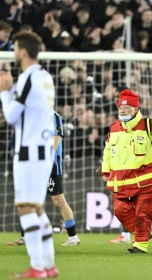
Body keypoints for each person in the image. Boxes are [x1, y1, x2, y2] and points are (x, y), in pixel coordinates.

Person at [0, 31, 58, 278]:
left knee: (25, 207)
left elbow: (12, 116)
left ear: (23, 51)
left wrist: (4, 91)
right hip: (44, 150)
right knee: (37, 209)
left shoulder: (27, 77)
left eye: (15, 49)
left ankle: (38, 267)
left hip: (29, 152)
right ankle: (48, 265)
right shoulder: (45, 77)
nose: (14, 53)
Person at [102, 89, 152, 254]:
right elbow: (107, 151)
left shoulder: (149, 126)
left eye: (127, 107)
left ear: (136, 109)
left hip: (146, 180)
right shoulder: (114, 128)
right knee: (119, 210)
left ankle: (140, 245)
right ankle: (144, 233)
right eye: (121, 107)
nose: (123, 110)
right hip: (121, 180)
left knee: (143, 213)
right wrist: (106, 171)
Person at [6, 111, 81, 247]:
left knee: (58, 200)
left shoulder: (54, 116)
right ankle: (25, 236)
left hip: (50, 164)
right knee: (28, 199)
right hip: (31, 163)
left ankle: (73, 237)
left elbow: (56, 140)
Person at [95, 86, 133, 245]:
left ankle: (135, 233)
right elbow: (110, 148)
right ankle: (127, 234)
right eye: (117, 97)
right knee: (122, 203)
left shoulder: (138, 122)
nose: (118, 100)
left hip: (133, 169)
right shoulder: (116, 124)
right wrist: (106, 167)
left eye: (121, 96)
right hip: (120, 169)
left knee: (131, 203)